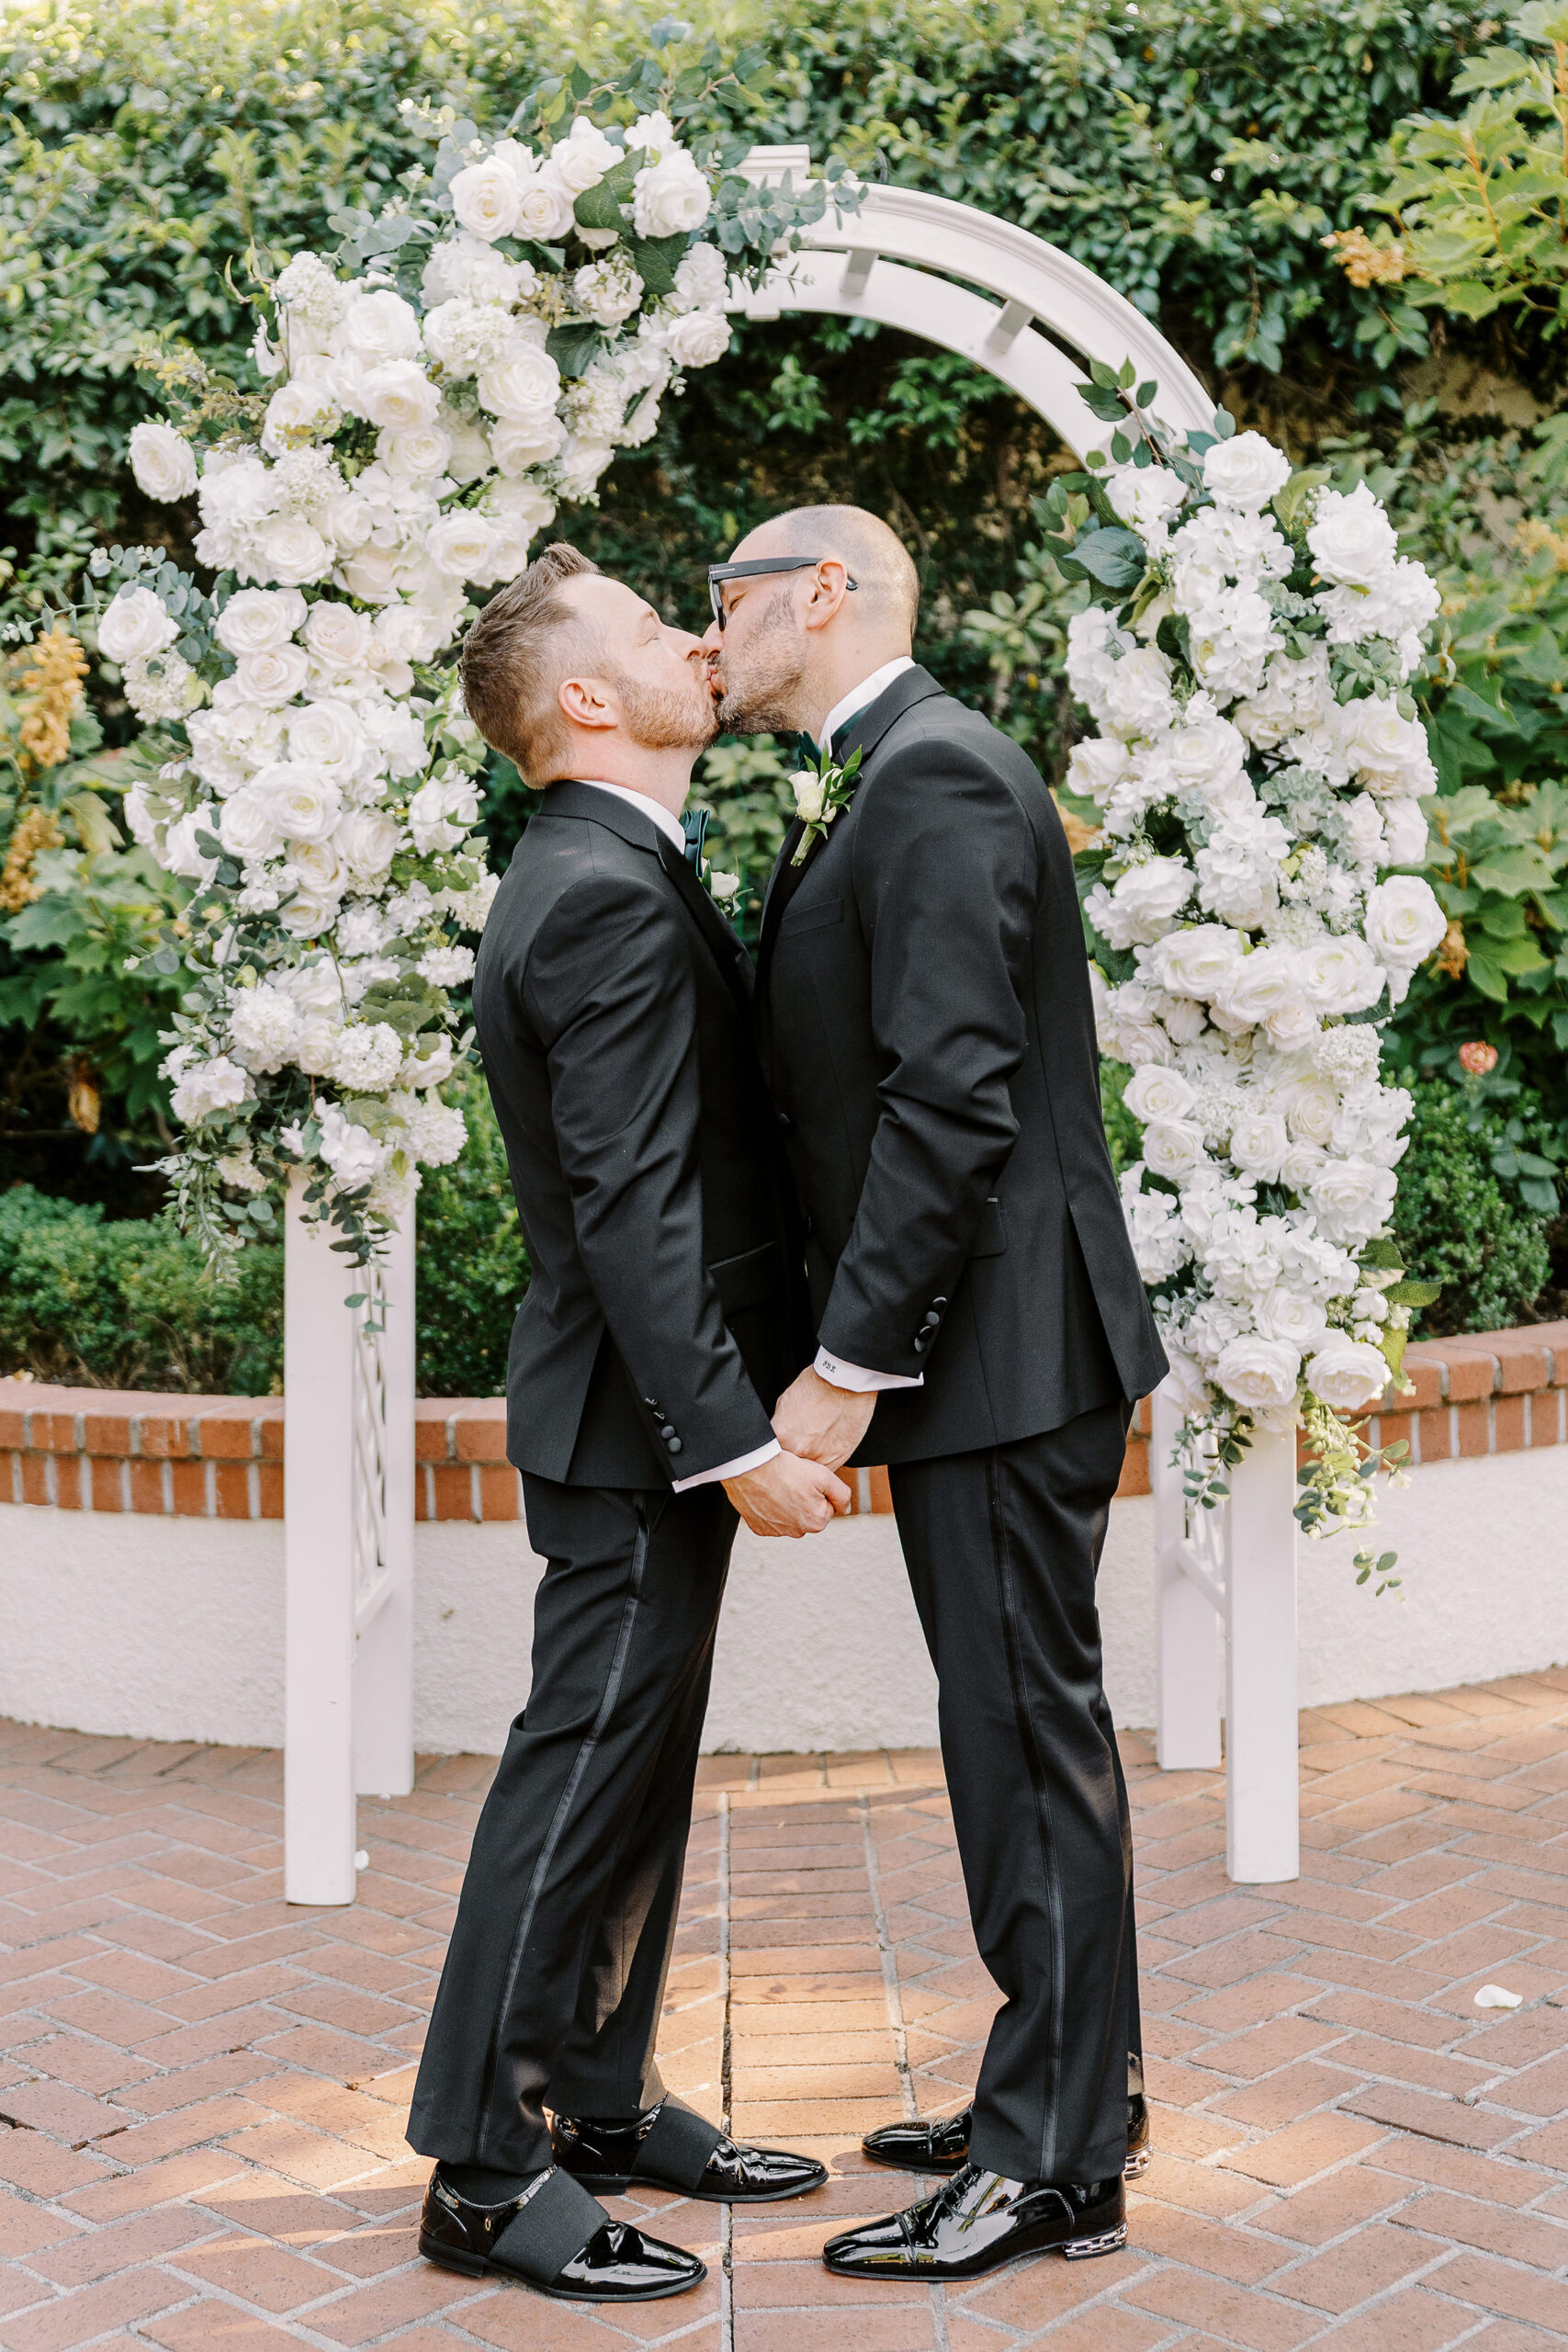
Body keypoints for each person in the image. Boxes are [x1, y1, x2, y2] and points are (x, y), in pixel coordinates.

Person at [704, 505, 1169, 2283]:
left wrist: (842, 1367)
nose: (713, 632)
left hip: (999, 1351)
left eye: (727, 598)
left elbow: (957, 1098)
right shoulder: (885, 773)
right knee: (1030, 1727)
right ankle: (1077, 2086)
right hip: (986, 1354)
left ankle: (1052, 2164)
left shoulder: (939, 777)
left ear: (822, 592)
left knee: (1022, 1742)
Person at [409, 544, 845, 2308]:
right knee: (579, 1770)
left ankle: (593, 2095)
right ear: (584, 699)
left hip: (646, 1414)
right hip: (635, 1418)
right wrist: (730, 1437)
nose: (693, 634)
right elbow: (630, 1205)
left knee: (640, 1771)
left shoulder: (615, 863)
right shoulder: (591, 889)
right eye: (653, 628)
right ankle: (480, 2167)